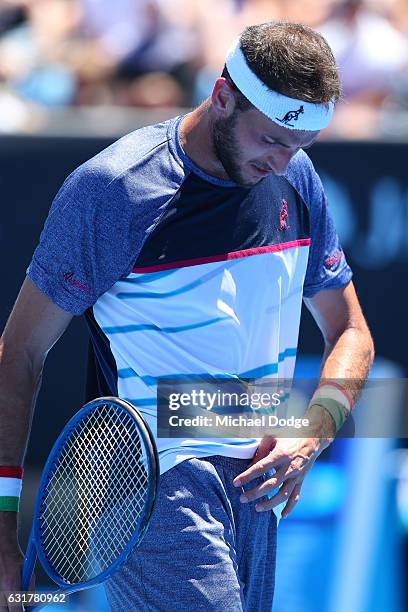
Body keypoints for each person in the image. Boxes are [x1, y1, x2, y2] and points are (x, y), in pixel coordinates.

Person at [0, 21, 374, 612]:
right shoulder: (112, 190)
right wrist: (1, 526)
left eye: (299, 146)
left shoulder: (297, 178)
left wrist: (312, 432)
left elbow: (352, 332)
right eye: (272, 140)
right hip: (150, 485)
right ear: (223, 94)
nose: (282, 163)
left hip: (256, 491)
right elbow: (18, 353)